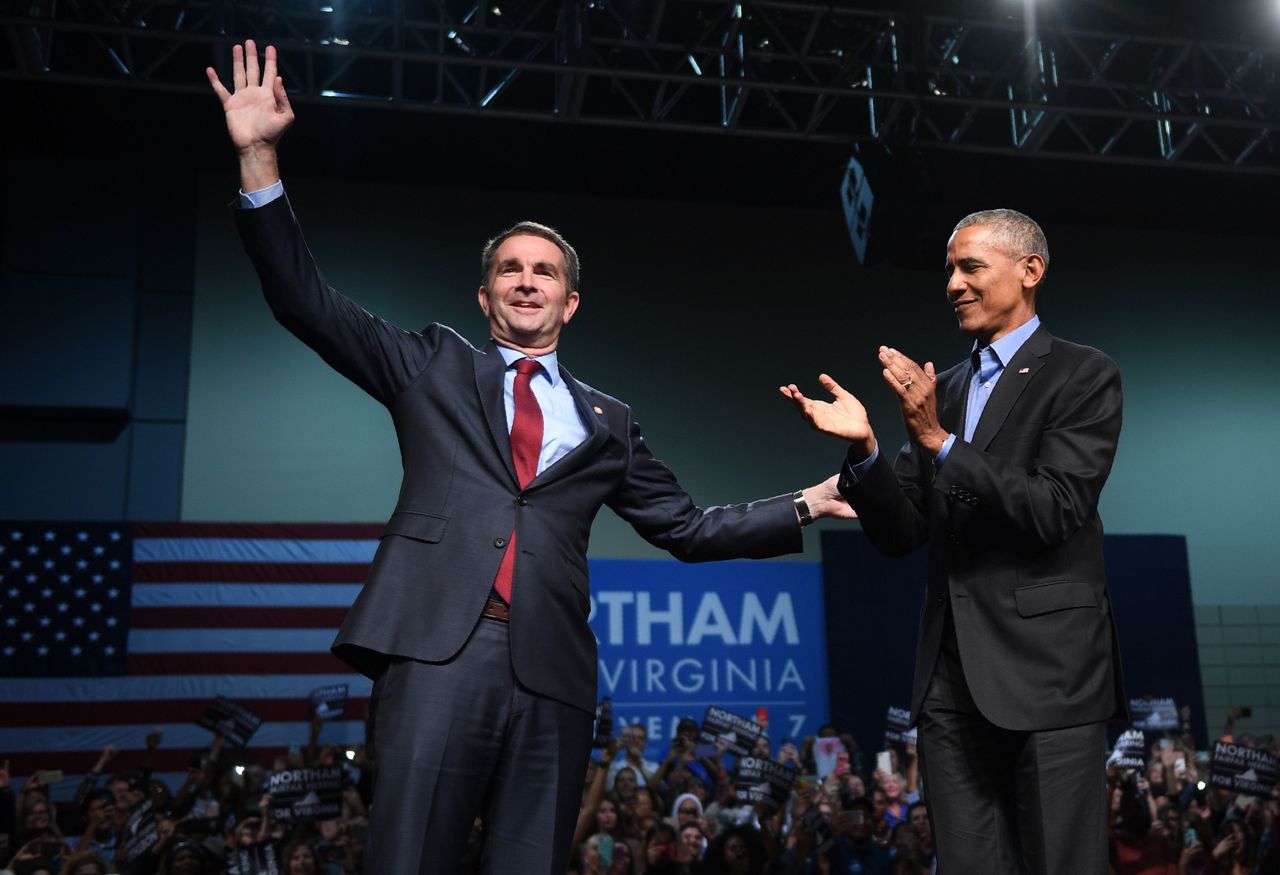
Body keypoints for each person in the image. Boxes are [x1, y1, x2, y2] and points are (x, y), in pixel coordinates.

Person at [206, 39, 851, 875]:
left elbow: (688, 527)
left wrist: (811, 498)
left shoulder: (609, 421)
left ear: (570, 300)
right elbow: (305, 300)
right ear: (484, 296)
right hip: (441, 650)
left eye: (543, 270)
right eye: (508, 268)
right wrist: (258, 154)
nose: (525, 279)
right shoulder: (432, 363)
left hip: (551, 672)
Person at [782, 209, 1125, 873]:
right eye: (949, 270)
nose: (953, 284)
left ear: (1031, 271)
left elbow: (1055, 508)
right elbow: (905, 528)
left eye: (971, 266)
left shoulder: (1084, 374)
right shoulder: (948, 388)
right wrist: (867, 450)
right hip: (950, 681)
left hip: (1051, 676)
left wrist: (939, 440)